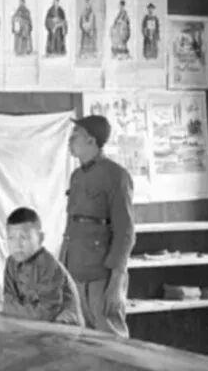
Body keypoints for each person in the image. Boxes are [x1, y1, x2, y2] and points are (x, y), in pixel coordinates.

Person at [61, 115, 135, 338]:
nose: (70, 140)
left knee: (111, 341)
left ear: (91, 141)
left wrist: (116, 282)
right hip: (75, 271)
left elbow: (125, 233)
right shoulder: (76, 176)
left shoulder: (116, 176)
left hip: (101, 275)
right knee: (82, 341)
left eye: (75, 136)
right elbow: (71, 227)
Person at [2, 207, 84, 326]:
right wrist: (9, 309)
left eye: (24, 237)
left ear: (40, 238)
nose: (17, 245)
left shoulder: (49, 266)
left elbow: (47, 313)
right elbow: (9, 300)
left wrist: (7, 309)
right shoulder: (11, 263)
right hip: (31, 324)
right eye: (11, 238)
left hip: (63, 327)